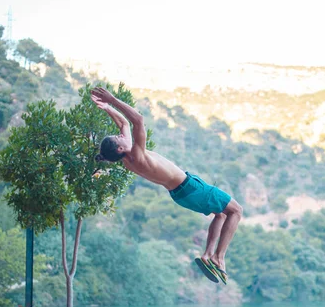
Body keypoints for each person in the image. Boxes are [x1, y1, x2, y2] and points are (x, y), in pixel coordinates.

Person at [90, 87, 242, 285]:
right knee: (236, 211)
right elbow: (137, 120)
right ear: (120, 147)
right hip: (190, 188)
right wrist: (113, 99)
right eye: (118, 138)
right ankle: (219, 257)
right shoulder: (137, 154)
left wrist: (107, 107)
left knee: (220, 214)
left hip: (180, 193)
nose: (120, 135)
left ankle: (207, 255)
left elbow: (123, 123)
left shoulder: (128, 159)